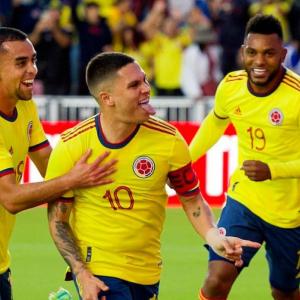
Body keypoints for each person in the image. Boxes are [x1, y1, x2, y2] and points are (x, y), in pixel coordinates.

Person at [46, 51, 260, 300]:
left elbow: (191, 200)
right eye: (134, 85)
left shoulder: (168, 140)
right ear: (107, 98)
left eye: (145, 80)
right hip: (99, 271)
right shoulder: (72, 146)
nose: (146, 88)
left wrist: (214, 236)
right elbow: (58, 221)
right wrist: (81, 273)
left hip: (148, 272)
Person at [0, 27, 116, 299]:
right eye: (21, 63)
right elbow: (11, 198)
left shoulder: (24, 106)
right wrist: (73, 179)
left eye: (34, 60)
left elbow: (49, 166)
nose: (33, 69)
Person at [189, 14, 300, 300]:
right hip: (245, 200)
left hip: (291, 212)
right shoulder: (231, 85)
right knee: (216, 279)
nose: (259, 62)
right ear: (243, 52)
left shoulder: (296, 96)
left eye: (269, 53)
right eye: (252, 53)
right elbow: (215, 123)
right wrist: (184, 159)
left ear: (283, 55)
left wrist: (273, 170)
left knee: (284, 292)